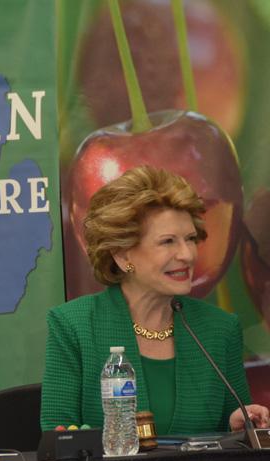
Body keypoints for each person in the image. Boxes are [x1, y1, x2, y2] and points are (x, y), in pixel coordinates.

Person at [41, 165, 269, 436]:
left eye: (191, 239)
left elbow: (239, 432)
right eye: (168, 242)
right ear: (122, 255)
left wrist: (239, 422)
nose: (187, 255)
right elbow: (58, 437)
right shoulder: (73, 325)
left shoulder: (220, 329)